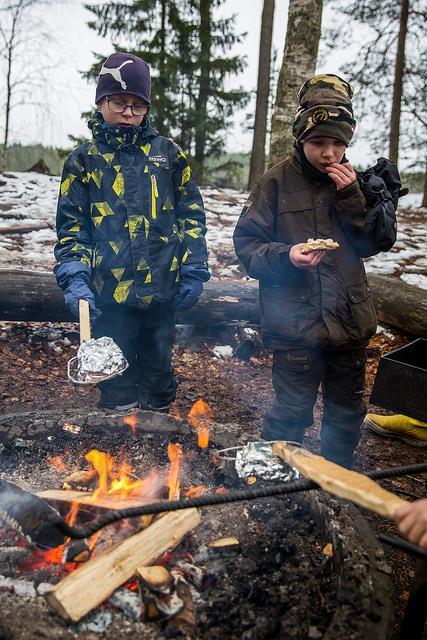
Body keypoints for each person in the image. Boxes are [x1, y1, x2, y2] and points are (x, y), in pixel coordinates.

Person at [233, 74, 399, 469]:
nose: (329, 153)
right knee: (290, 410)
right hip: (294, 326)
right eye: (318, 143)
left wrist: (352, 197)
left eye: (338, 144)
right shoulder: (275, 181)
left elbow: (374, 244)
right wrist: (286, 255)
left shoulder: (355, 182)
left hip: (349, 323)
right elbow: (247, 246)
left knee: (345, 413)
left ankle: (335, 480)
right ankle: (277, 480)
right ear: (300, 138)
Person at [54, 52, 209, 411]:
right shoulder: (83, 161)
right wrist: (76, 278)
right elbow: (71, 229)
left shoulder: (167, 154)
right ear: (100, 101)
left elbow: (191, 217)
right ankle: (118, 444)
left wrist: (194, 269)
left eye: (138, 106)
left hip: (163, 289)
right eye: (119, 102)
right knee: (116, 378)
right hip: (110, 294)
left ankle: (158, 444)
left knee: (158, 373)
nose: (128, 112)